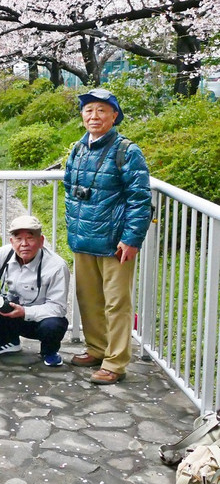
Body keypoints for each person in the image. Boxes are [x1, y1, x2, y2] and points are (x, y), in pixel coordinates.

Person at [65, 87, 151, 385]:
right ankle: (96, 348)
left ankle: (115, 362)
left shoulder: (127, 151)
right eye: (88, 110)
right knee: (88, 299)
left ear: (114, 116)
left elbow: (140, 199)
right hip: (83, 238)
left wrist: (132, 239)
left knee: (116, 303)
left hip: (115, 242)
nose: (94, 116)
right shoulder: (78, 149)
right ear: (82, 115)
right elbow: (69, 190)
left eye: (101, 110)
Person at [0, 215, 70, 367]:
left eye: (30, 238)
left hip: (39, 319)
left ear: (41, 241)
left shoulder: (57, 266)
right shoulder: (4, 253)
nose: (24, 244)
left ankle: (50, 351)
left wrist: (25, 312)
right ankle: (7, 342)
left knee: (53, 325)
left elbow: (58, 307)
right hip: (11, 312)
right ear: (11, 241)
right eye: (19, 238)